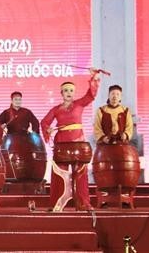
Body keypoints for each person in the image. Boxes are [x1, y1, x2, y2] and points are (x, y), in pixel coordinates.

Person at [41, 68, 101, 211]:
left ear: (74, 93)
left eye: (71, 90)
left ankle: (83, 203)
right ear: (61, 93)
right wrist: (48, 129)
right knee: (59, 175)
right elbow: (44, 122)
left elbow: (91, 94)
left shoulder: (80, 104)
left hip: (78, 143)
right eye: (66, 90)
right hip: (61, 143)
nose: (69, 93)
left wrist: (94, 78)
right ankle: (57, 204)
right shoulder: (56, 109)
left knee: (80, 174)